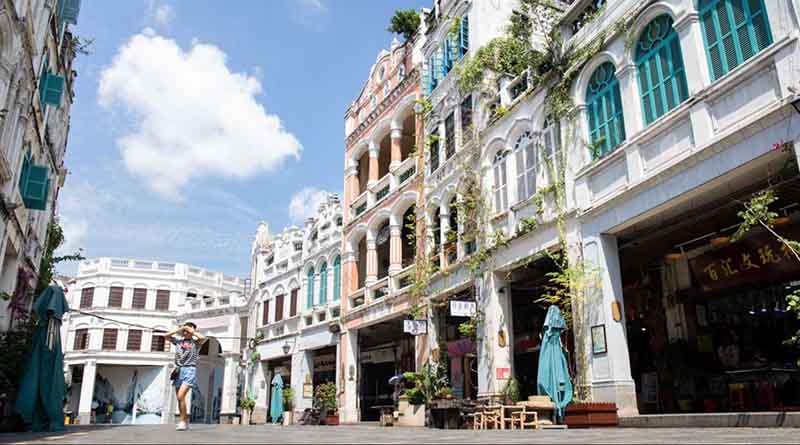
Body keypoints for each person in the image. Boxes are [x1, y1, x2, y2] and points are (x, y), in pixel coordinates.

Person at [164, 322, 206, 431]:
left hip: (190, 369)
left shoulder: (195, 343)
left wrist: (192, 331)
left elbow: (203, 338)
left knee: (180, 396)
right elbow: (166, 336)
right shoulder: (178, 342)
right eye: (185, 330)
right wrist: (180, 329)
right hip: (178, 370)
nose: (186, 331)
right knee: (180, 398)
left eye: (189, 330)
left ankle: (183, 421)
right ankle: (184, 421)